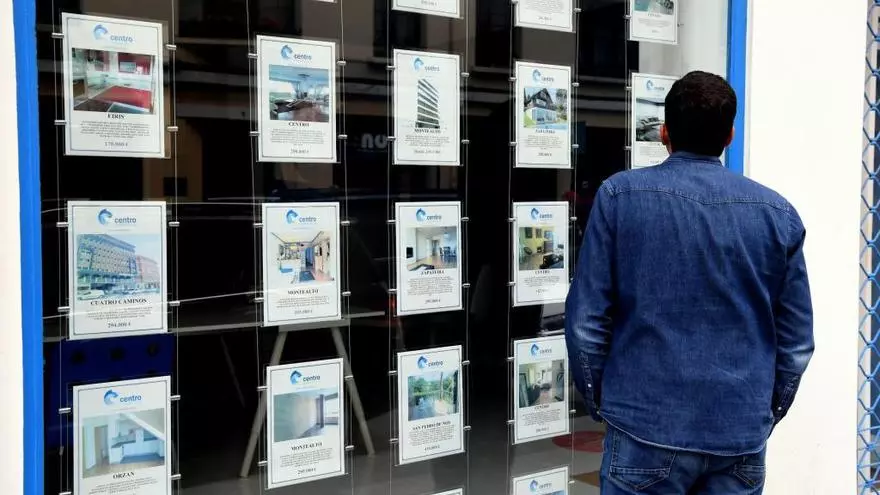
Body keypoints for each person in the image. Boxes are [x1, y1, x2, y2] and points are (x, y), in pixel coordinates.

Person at [565, 71, 814, 494]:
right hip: (738, 433)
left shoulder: (619, 197)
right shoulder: (778, 214)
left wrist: (601, 400)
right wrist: (765, 410)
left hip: (642, 426)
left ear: (664, 132)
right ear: (730, 135)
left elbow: (586, 322)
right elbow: (797, 342)